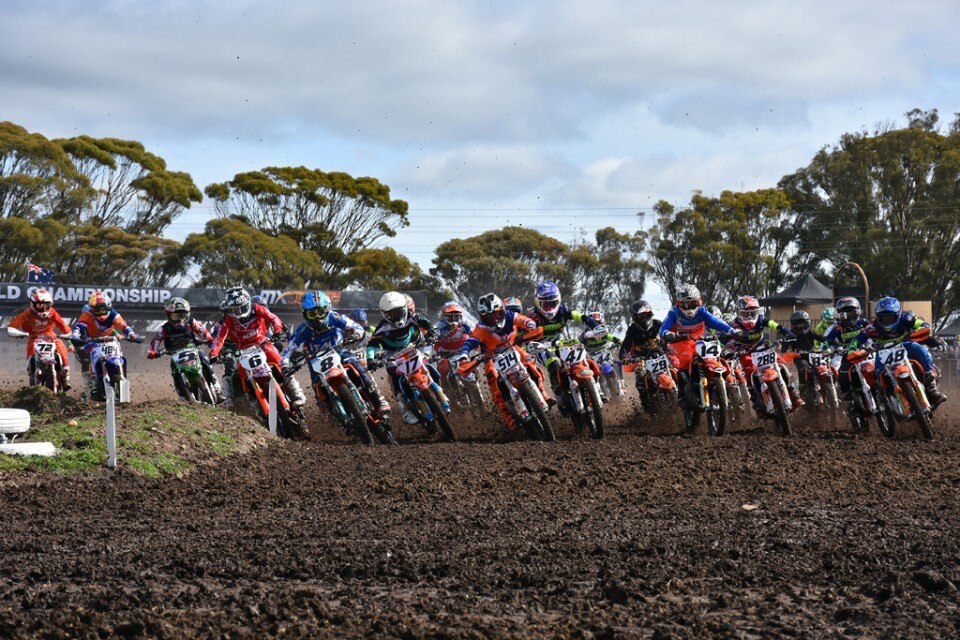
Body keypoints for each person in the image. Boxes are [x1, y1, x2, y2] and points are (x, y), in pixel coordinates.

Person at [282, 291, 390, 417]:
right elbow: (288, 349)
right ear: (305, 314)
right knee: (317, 387)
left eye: (320, 312)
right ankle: (328, 411)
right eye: (312, 314)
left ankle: (378, 399)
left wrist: (356, 334)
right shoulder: (303, 329)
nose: (317, 317)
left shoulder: (335, 317)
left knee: (357, 366)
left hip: (338, 350)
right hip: (316, 360)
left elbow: (356, 327)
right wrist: (285, 364)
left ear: (327, 309)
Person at [457, 293, 547, 431]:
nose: (494, 319)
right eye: (488, 316)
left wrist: (531, 327)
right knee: (494, 381)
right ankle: (508, 418)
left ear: (502, 310)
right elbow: (469, 342)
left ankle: (542, 391)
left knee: (528, 361)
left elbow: (526, 321)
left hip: (512, 348)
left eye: (497, 314)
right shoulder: (481, 328)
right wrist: (463, 357)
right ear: (482, 317)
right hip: (491, 357)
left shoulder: (511, 316)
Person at [209, 287, 305, 407]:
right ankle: (251, 400)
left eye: (242, 308)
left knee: (281, 365)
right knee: (240, 374)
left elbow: (273, 318)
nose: (239, 312)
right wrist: (214, 353)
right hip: (244, 352)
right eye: (235, 310)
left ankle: (297, 393)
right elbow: (219, 338)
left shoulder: (257, 308)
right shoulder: (228, 320)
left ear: (248, 303)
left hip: (263, 344)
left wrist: (278, 330)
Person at [848, 296, 947, 407]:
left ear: (898, 315)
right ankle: (887, 400)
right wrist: (851, 350)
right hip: (883, 352)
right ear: (878, 317)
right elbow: (856, 340)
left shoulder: (906, 319)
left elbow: (921, 323)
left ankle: (931, 386)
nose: (887, 320)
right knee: (877, 373)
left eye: (890, 317)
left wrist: (924, 327)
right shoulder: (871, 327)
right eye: (884, 317)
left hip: (906, 346)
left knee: (922, 350)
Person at [524, 281, 602, 408]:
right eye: (545, 304)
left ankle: (595, 387)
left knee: (581, 357)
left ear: (558, 301)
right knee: (553, 364)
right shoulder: (532, 317)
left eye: (552, 304)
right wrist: (527, 345)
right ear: (538, 303)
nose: (549, 308)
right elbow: (522, 333)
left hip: (560, 343)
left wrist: (597, 327)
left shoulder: (564, 310)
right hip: (541, 347)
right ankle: (559, 396)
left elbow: (583, 317)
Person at [366, 291, 440, 424]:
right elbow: (372, 345)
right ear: (385, 314)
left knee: (427, 363)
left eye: (398, 312)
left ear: (405, 309)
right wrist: (370, 360)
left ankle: (438, 391)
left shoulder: (413, 316)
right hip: (391, 354)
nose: (396, 317)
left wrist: (431, 332)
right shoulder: (382, 327)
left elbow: (426, 322)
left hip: (411, 347)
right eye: (391, 314)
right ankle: (405, 409)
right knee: (395, 375)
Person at [659, 284, 738, 407]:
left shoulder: (702, 311)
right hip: (680, 340)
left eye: (692, 303)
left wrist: (732, 330)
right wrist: (667, 334)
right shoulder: (673, 312)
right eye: (685, 304)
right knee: (685, 360)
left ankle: (725, 385)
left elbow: (716, 322)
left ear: (698, 302)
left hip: (700, 339)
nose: (688, 307)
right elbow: (664, 327)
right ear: (679, 303)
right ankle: (681, 395)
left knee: (716, 356)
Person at [726, 295, 802, 411]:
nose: (749, 317)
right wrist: (724, 346)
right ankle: (756, 401)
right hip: (744, 351)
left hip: (761, 347)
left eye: (752, 313)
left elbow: (776, 326)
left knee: (780, 361)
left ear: (757, 312)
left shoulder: (761, 320)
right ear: (738, 313)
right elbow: (723, 337)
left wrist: (788, 334)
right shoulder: (734, 325)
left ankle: (793, 392)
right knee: (748, 369)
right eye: (745, 314)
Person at [147, 297, 223, 402]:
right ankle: (182, 396)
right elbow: (155, 341)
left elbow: (202, 330)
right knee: (175, 372)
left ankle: (217, 388)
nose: (180, 319)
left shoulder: (191, 322)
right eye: (176, 316)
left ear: (188, 314)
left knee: (204, 360)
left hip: (192, 349)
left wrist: (208, 337)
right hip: (174, 354)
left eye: (183, 315)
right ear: (168, 315)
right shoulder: (164, 328)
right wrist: (152, 352)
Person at [71, 291, 143, 401]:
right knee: (87, 357)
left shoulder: (114, 314)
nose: (101, 313)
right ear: (91, 309)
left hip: (110, 342)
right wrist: (75, 336)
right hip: (93, 343)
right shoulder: (87, 315)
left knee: (119, 356)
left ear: (109, 307)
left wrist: (131, 334)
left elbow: (123, 325)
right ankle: (93, 382)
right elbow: (79, 326)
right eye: (97, 310)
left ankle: (121, 378)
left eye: (103, 309)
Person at [6, 288, 73, 390]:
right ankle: (32, 371)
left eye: (47, 305)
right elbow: (11, 327)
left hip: (51, 336)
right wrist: (20, 333)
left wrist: (68, 338)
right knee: (31, 350)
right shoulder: (26, 314)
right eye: (40, 305)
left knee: (60, 346)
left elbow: (63, 326)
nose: (43, 307)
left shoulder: (52, 312)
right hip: (34, 336)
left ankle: (65, 374)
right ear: (33, 303)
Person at [823, 297, 871, 414]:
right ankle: (849, 402)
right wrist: (826, 349)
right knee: (842, 377)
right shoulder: (837, 328)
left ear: (858, 311)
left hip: (866, 352)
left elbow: (876, 331)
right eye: (846, 312)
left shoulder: (864, 323)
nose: (850, 315)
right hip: (847, 356)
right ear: (839, 315)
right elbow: (826, 341)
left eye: (852, 311)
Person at [618, 300, 665, 411]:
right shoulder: (632, 329)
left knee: (679, 368)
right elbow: (625, 346)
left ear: (649, 314)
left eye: (644, 315)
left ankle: (684, 396)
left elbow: (667, 335)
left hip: (661, 355)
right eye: (639, 316)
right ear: (635, 317)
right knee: (640, 376)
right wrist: (624, 358)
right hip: (641, 359)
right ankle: (646, 405)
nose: (642, 319)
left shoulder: (658, 324)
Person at [434, 301, 475, 381]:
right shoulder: (438, 325)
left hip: (463, 351)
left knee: (477, 362)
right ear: (444, 316)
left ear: (460, 316)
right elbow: (432, 331)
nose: (453, 320)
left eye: (456, 317)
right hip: (445, 354)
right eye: (450, 317)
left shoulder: (465, 322)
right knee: (442, 375)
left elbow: (476, 333)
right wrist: (432, 336)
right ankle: (445, 389)